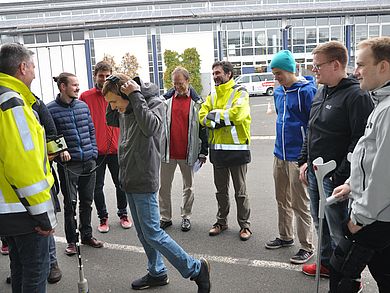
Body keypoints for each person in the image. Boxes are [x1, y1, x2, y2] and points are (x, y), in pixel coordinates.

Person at [102, 73, 210, 292]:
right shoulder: (125, 109)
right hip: (129, 177)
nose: (113, 108)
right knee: (143, 233)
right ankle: (157, 272)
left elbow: (151, 128)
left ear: (127, 93)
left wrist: (135, 96)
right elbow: (109, 119)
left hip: (143, 176)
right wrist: (109, 86)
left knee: (153, 233)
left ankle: (196, 269)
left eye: (114, 102)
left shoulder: (153, 102)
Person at [298, 41, 374, 278]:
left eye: (317, 66)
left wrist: (341, 174)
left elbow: (360, 141)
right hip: (314, 172)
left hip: (336, 178)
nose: (314, 70)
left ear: (336, 64)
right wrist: (304, 161)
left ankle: (347, 276)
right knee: (320, 222)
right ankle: (326, 265)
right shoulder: (321, 91)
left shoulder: (356, 95)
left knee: (339, 228)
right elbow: (311, 129)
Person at [329, 36, 390, 293]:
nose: (356, 71)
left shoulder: (387, 110)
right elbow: (370, 159)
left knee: (340, 271)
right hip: (377, 216)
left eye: (362, 64)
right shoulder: (380, 103)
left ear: (383, 66)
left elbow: (384, 175)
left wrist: (359, 218)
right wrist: (351, 185)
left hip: (374, 218)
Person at [0, 42, 57, 293]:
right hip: (24, 212)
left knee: (20, 270)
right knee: (35, 274)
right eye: (32, 66)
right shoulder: (12, 102)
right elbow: (23, 167)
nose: (34, 71)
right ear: (22, 67)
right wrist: (44, 215)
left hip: (9, 209)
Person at [265, 50, 316, 264]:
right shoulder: (278, 92)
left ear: (290, 70)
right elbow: (281, 118)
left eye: (278, 73)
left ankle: (306, 246)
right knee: (281, 199)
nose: (276, 78)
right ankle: (285, 236)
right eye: (274, 73)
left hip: (298, 157)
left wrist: (306, 158)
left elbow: (312, 125)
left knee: (299, 202)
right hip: (280, 153)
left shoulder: (307, 91)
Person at [47, 72, 103, 256]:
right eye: (74, 85)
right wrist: (60, 150)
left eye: (78, 85)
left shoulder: (82, 106)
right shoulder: (50, 110)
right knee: (70, 205)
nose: (78, 88)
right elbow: (49, 136)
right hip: (69, 166)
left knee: (87, 202)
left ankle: (87, 235)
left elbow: (91, 129)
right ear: (63, 87)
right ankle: (72, 241)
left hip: (89, 161)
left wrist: (93, 152)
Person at [199, 60, 252, 241]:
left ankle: (245, 225)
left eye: (218, 73)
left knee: (240, 192)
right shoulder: (212, 96)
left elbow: (238, 114)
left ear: (229, 74)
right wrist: (221, 118)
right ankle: (221, 222)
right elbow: (201, 117)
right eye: (213, 73)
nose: (215, 76)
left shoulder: (240, 92)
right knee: (220, 191)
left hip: (237, 151)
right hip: (218, 152)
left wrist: (214, 117)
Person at [80, 61, 132, 233]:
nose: (103, 79)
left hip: (118, 149)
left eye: (106, 75)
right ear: (95, 75)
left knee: (121, 184)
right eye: (100, 75)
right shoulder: (86, 97)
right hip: (97, 151)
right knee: (97, 187)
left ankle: (123, 213)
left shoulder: (119, 93)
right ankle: (103, 217)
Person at [159, 66, 208, 231]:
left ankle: (186, 217)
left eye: (180, 83)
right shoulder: (165, 101)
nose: (177, 87)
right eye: (174, 83)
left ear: (188, 81)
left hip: (188, 152)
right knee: (163, 187)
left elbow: (203, 129)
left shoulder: (197, 103)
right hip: (167, 152)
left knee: (189, 187)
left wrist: (203, 152)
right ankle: (165, 217)